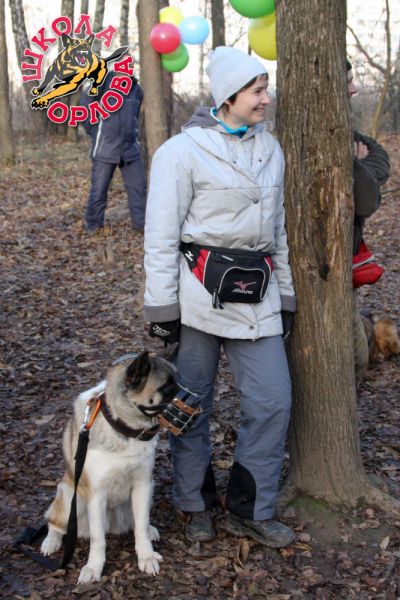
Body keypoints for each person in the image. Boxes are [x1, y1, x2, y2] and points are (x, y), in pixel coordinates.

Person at [144, 47, 296, 548]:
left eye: (265, 89)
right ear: (228, 96)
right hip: (196, 298)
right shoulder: (181, 152)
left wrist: (286, 296)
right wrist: (162, 310)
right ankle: (194, 504)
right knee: (190, 405)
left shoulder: (270, 148)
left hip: (259, 296)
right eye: (257, 91)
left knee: (272, 401)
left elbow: (277, 231)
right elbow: (160, 237)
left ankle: (251, 509)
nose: (266, 99)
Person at [347, 59, 390, 384]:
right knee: (354, 357)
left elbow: (381, 162)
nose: (354, 88)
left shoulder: (354, 135)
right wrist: (355, 164)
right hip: (311, 274)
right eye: (347, 81)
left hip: (347, 271)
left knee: (358, 359)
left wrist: (357, 168)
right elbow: (363, 200)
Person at [81, 68, 146, 233]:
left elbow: (135, 116)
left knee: (139, 188)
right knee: (99, 190)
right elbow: (85, 109)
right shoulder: (101, 84)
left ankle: (141, 225)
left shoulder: (136, 89)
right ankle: (93, 227)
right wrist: (96, 132)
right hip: (106, 147)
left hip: (130, 148)